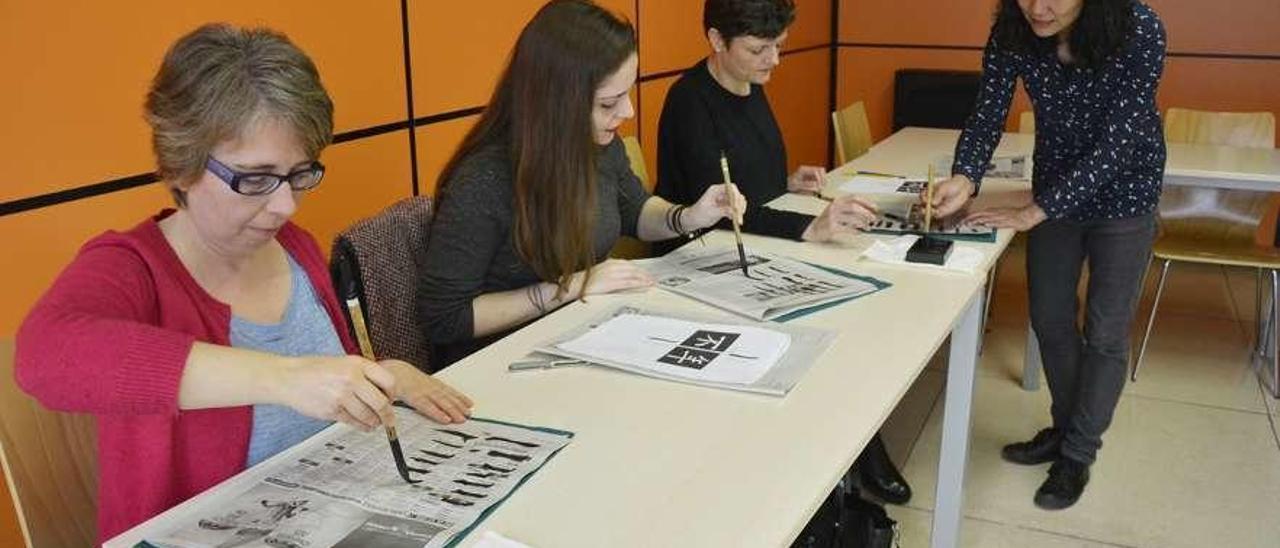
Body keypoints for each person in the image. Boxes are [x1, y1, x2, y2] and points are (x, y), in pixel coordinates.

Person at [14, 24, 473, 541]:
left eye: (300, 174)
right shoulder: (134, 268)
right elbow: (42, 356)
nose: (285, 204)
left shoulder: (292, 245)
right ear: (182, 165)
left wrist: (375, 377)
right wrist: (282, 378)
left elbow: (318, 383)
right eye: (254, 178)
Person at [654, 0, 911, 506]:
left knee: (850, 313)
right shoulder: (689, 101)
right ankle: (852, 457)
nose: (773, 59)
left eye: (779, 47)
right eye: (758, 49)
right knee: (825, 326)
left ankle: (854, 449)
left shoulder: (749, 85)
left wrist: (787, 181)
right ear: (715, 41)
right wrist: (811, 226)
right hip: (698, 257)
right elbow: (725, 209)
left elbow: (747, 184)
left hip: (748, 244)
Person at [418, 0, 746, 368]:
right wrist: (570, 287)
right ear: (558, 104)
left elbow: (635, 211)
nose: (628, 112)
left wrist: (691, 216)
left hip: (581, 337)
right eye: (609, 103)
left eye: (627, 94)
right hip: (501, 366)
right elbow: (444, 317)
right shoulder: (485, 180)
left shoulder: (598, 146)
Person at [930, 0, 1165, 510]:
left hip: (1125, 193)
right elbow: (989, 110)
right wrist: (966, 177)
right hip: (1055, 187)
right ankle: (1065, 428)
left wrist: (1035, 211)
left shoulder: (1138, 26)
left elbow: (1118, 143)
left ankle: (1079, 453)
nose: (1039, 7)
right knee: (1050, 317)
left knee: (1105, 330)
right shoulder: (1014, 29)